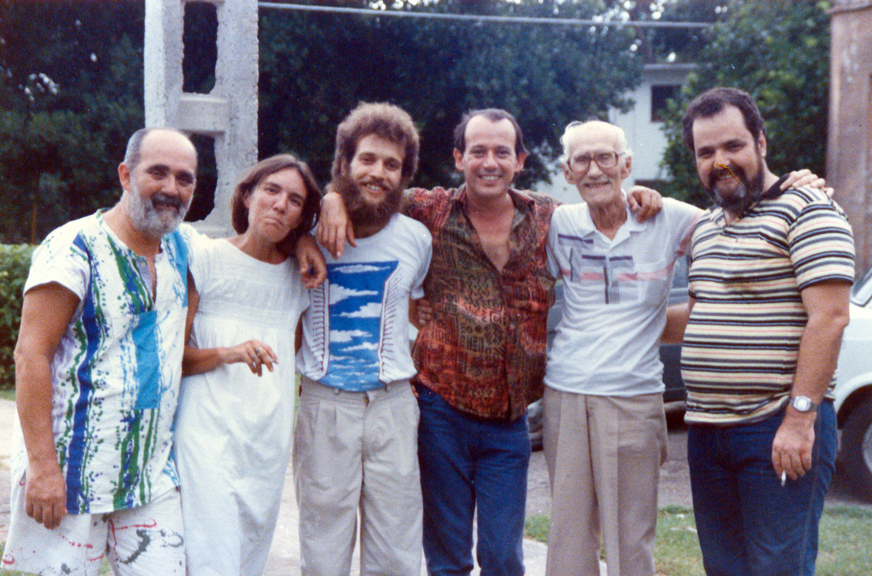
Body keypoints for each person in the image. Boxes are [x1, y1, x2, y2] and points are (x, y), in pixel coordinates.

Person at [319, 108, 663, 575]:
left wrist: (638, 193)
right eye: (477, 150)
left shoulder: (550, 218)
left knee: (503, 556)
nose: (489, 162)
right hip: (441, 412)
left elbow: (603, 208)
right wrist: (332, 199)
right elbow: (368, 189)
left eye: (502, 152)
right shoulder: (428, 209)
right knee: (448, 557)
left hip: (510, 420)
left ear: (519, 160)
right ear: (459, 158)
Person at [2, 128, 197, 574]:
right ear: (126, 175)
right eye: (158, 172)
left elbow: (255, 239)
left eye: (184, 178)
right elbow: (30, 356)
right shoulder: (73, 248)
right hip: (72, 472)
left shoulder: (181, 247)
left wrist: (311, 232)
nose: (172, 188)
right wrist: (43, 468)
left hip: (150, 475)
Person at [678, 87, 854, 576]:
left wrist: (799, 420)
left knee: (777, 569)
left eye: (733, 145)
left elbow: (830, 318)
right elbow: (700, 314)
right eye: (706, 152)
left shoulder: (810, 210)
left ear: (761, 141)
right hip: (707, 432)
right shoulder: (706, 228)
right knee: (723, 569)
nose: (720, 161)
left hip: (776, 426)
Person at [543, 120, 702, 576]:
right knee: (569, 536)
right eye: (582, 160)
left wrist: (799, 187)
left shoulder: (669, 218)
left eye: (605, 157)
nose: (594, 170)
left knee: (630, 539)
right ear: (567, 171)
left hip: (634, 396)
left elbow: (735, 227)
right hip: (566, 393)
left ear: (625, 165)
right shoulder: (557, 224)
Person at [293, 102, 432, 576]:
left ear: (404, 175)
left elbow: (414, 309)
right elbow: (253, 223)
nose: (378, 173)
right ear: (344, 162)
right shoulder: (304, 230)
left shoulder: (416, 238)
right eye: (367, 159)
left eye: (392, 164)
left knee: (396, 547)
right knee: (323, 547)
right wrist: (322, 207)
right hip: (325, 405)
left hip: (392, 405)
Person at [173, 154, 321, 575]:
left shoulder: (300, 278)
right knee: (209, 553)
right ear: (247, 195)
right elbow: (173, 359)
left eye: (295, 200)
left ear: (302, 217)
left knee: (248, 555)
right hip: (206, 432)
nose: (280, 204)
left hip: (266, 439)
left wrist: (305, 242)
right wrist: (229, 352)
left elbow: (289, 362)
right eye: (271, 190)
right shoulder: (205, 259)